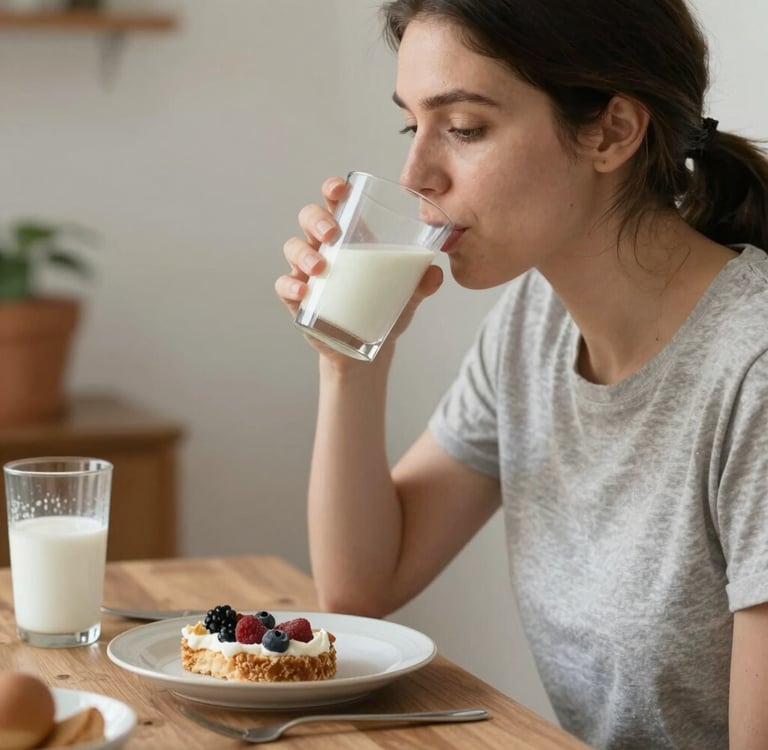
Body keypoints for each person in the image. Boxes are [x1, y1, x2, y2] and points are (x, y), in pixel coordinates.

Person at [275, 1, 768, 748]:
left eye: (464, 128)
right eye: (412, 126)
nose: (416, 177)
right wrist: (349, 363)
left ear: (613, 131)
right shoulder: (534, 324)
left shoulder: (752, 371)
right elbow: (361, 587)